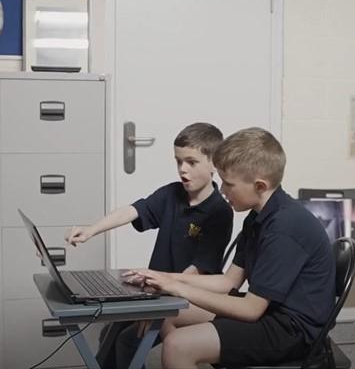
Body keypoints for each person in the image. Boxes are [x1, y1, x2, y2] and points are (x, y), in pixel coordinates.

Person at [123, 127, 336, 369]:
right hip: (271, 313)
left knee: (177, 346)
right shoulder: (257, 217)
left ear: (259, 185)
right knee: (168, 313)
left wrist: (177, 287)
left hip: (292, 331)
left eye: (228, 184)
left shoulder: (284, 228)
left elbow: (251, 310)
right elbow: (228, 282)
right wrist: (164, 278)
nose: (222, 191)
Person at [64, 122, 233, 369]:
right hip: (158, 290)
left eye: (191, 162)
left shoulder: (219, 212)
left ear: (214, 164)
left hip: (186, 298)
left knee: (129, 341)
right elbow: (132, 211)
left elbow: (196, 272)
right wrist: (91, 229)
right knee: (110, 331)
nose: (182, 169)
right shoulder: (172, 194)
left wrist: (159, 305)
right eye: (178, 161)